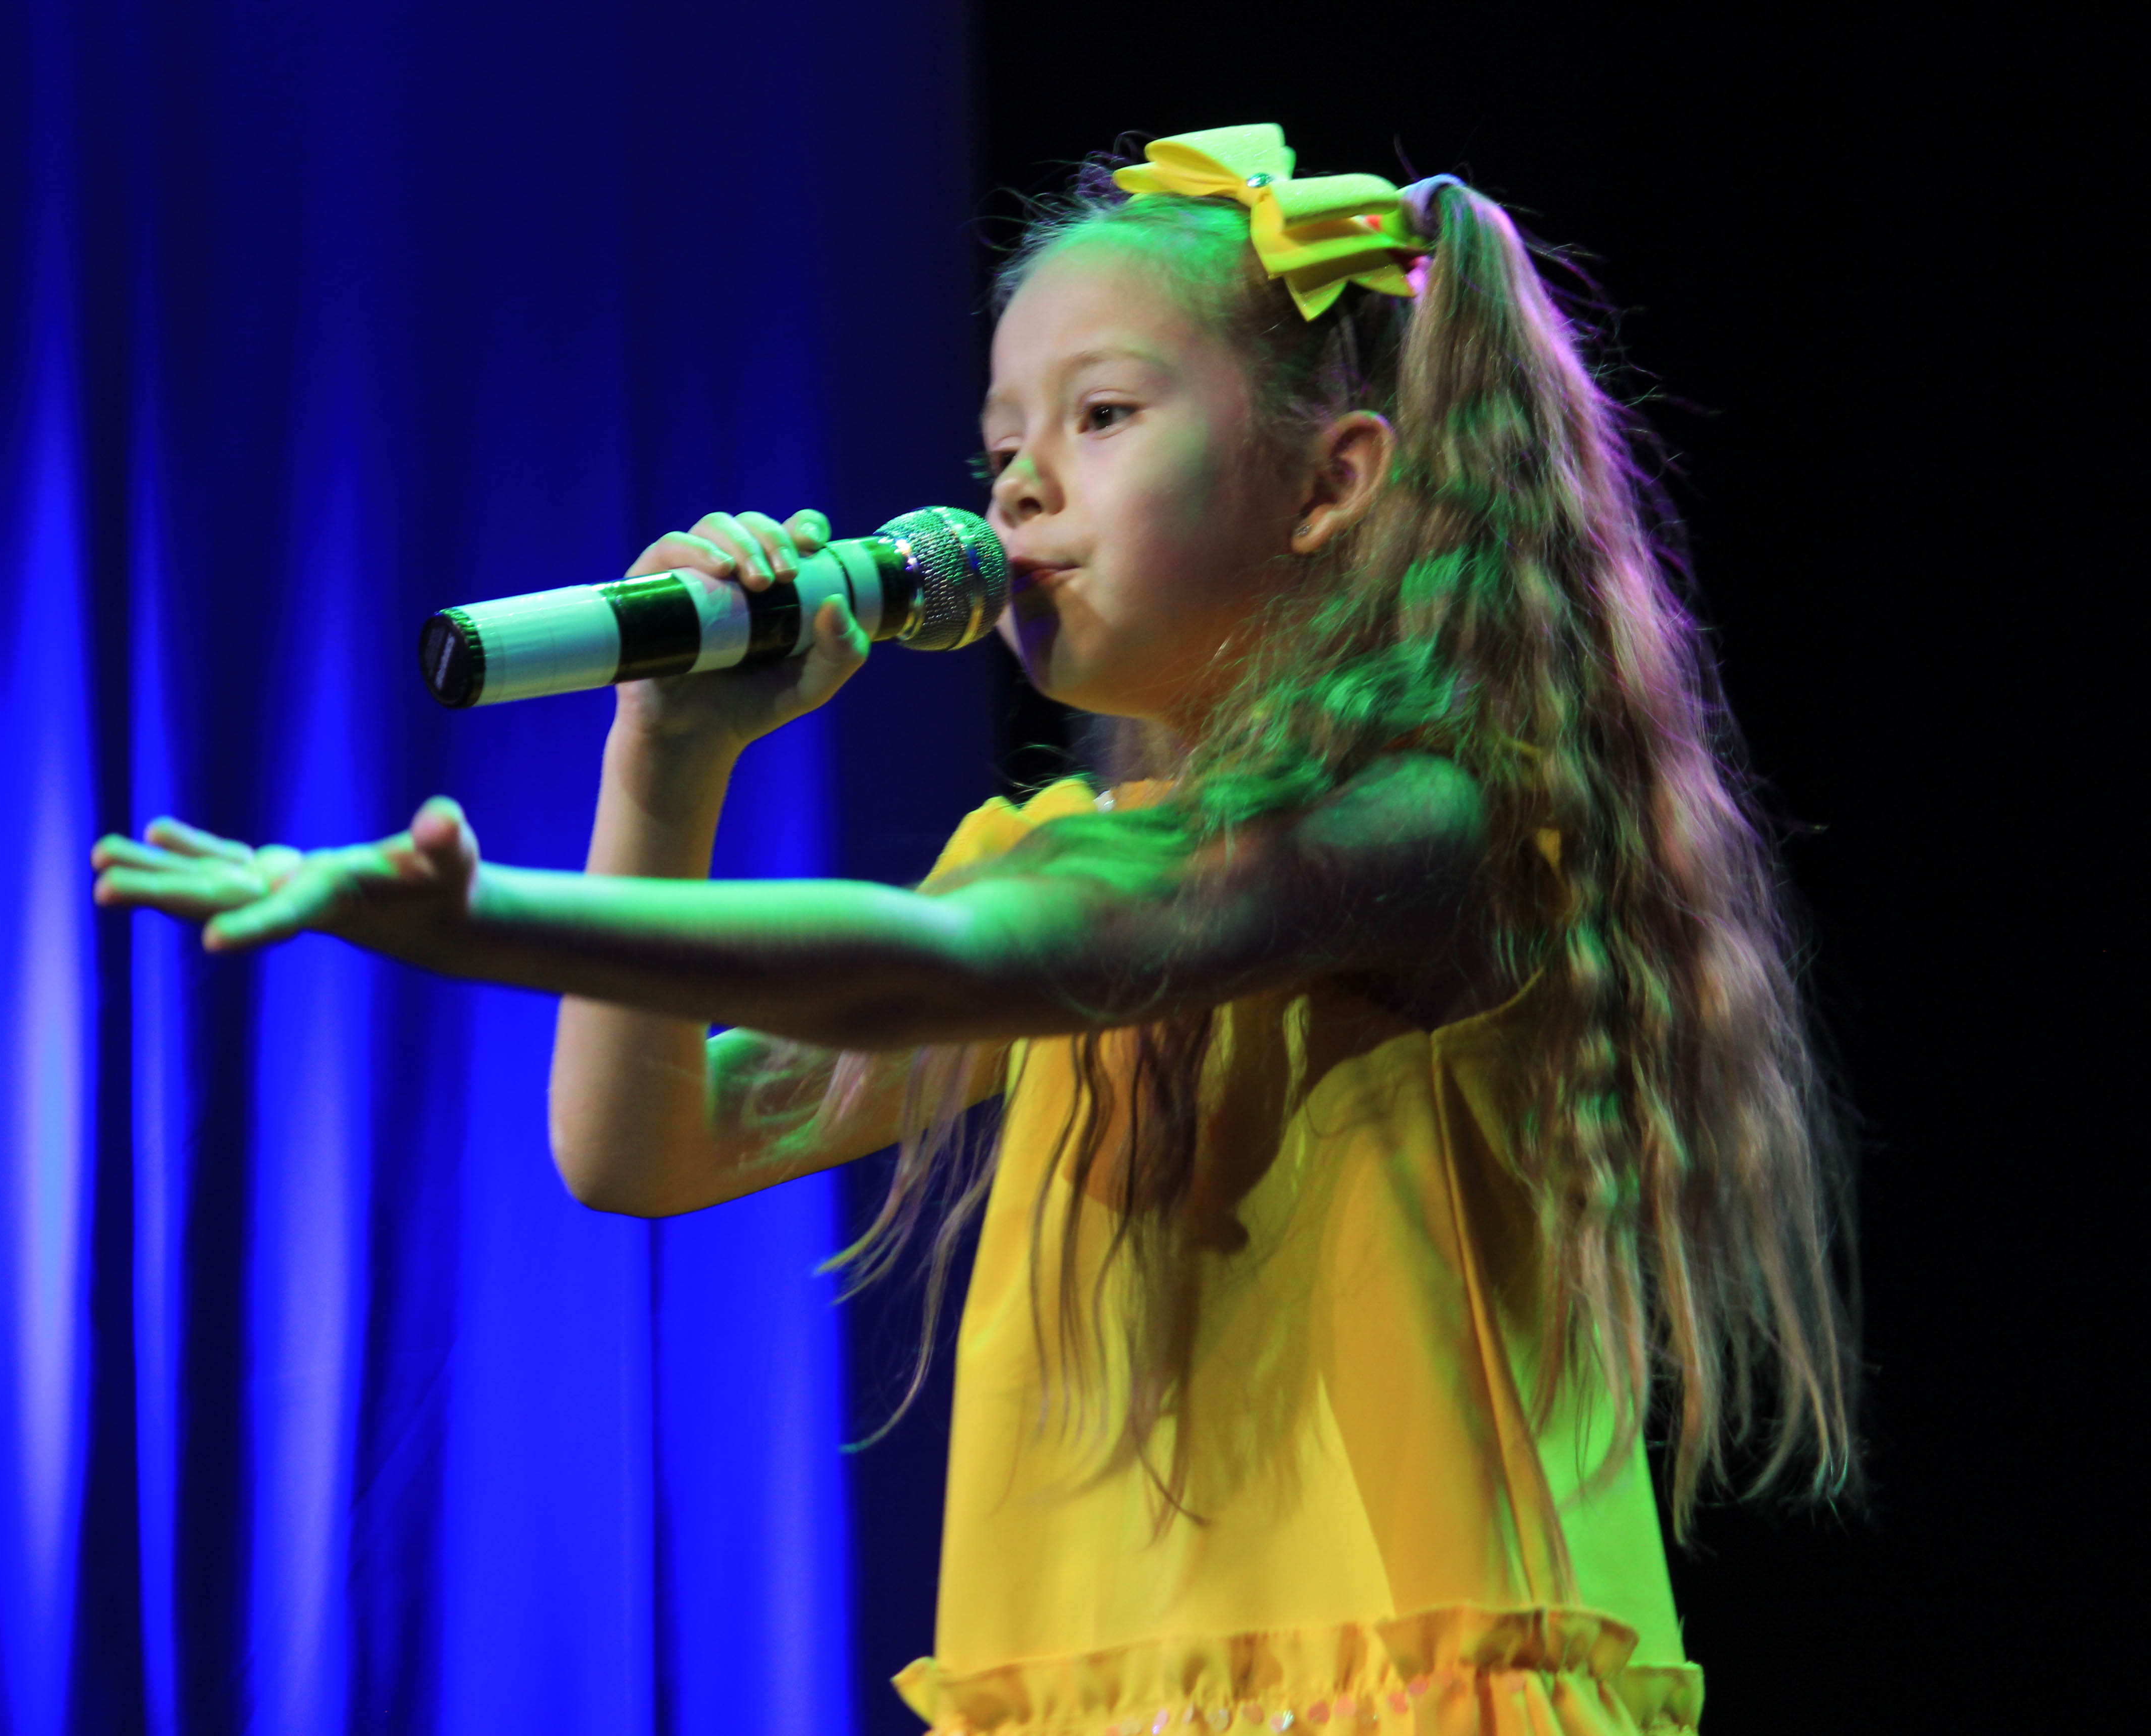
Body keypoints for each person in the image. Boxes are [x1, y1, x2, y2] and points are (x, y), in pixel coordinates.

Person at [92, 123, 1854, 1735]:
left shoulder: (1422, 826)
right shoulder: (1058, 856)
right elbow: (644, 1147)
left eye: (1102, 418)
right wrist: (667, 764)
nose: (1015, 491)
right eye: (1004, 443)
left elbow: (950, 967)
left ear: (1331, 484)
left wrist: (493, 921)